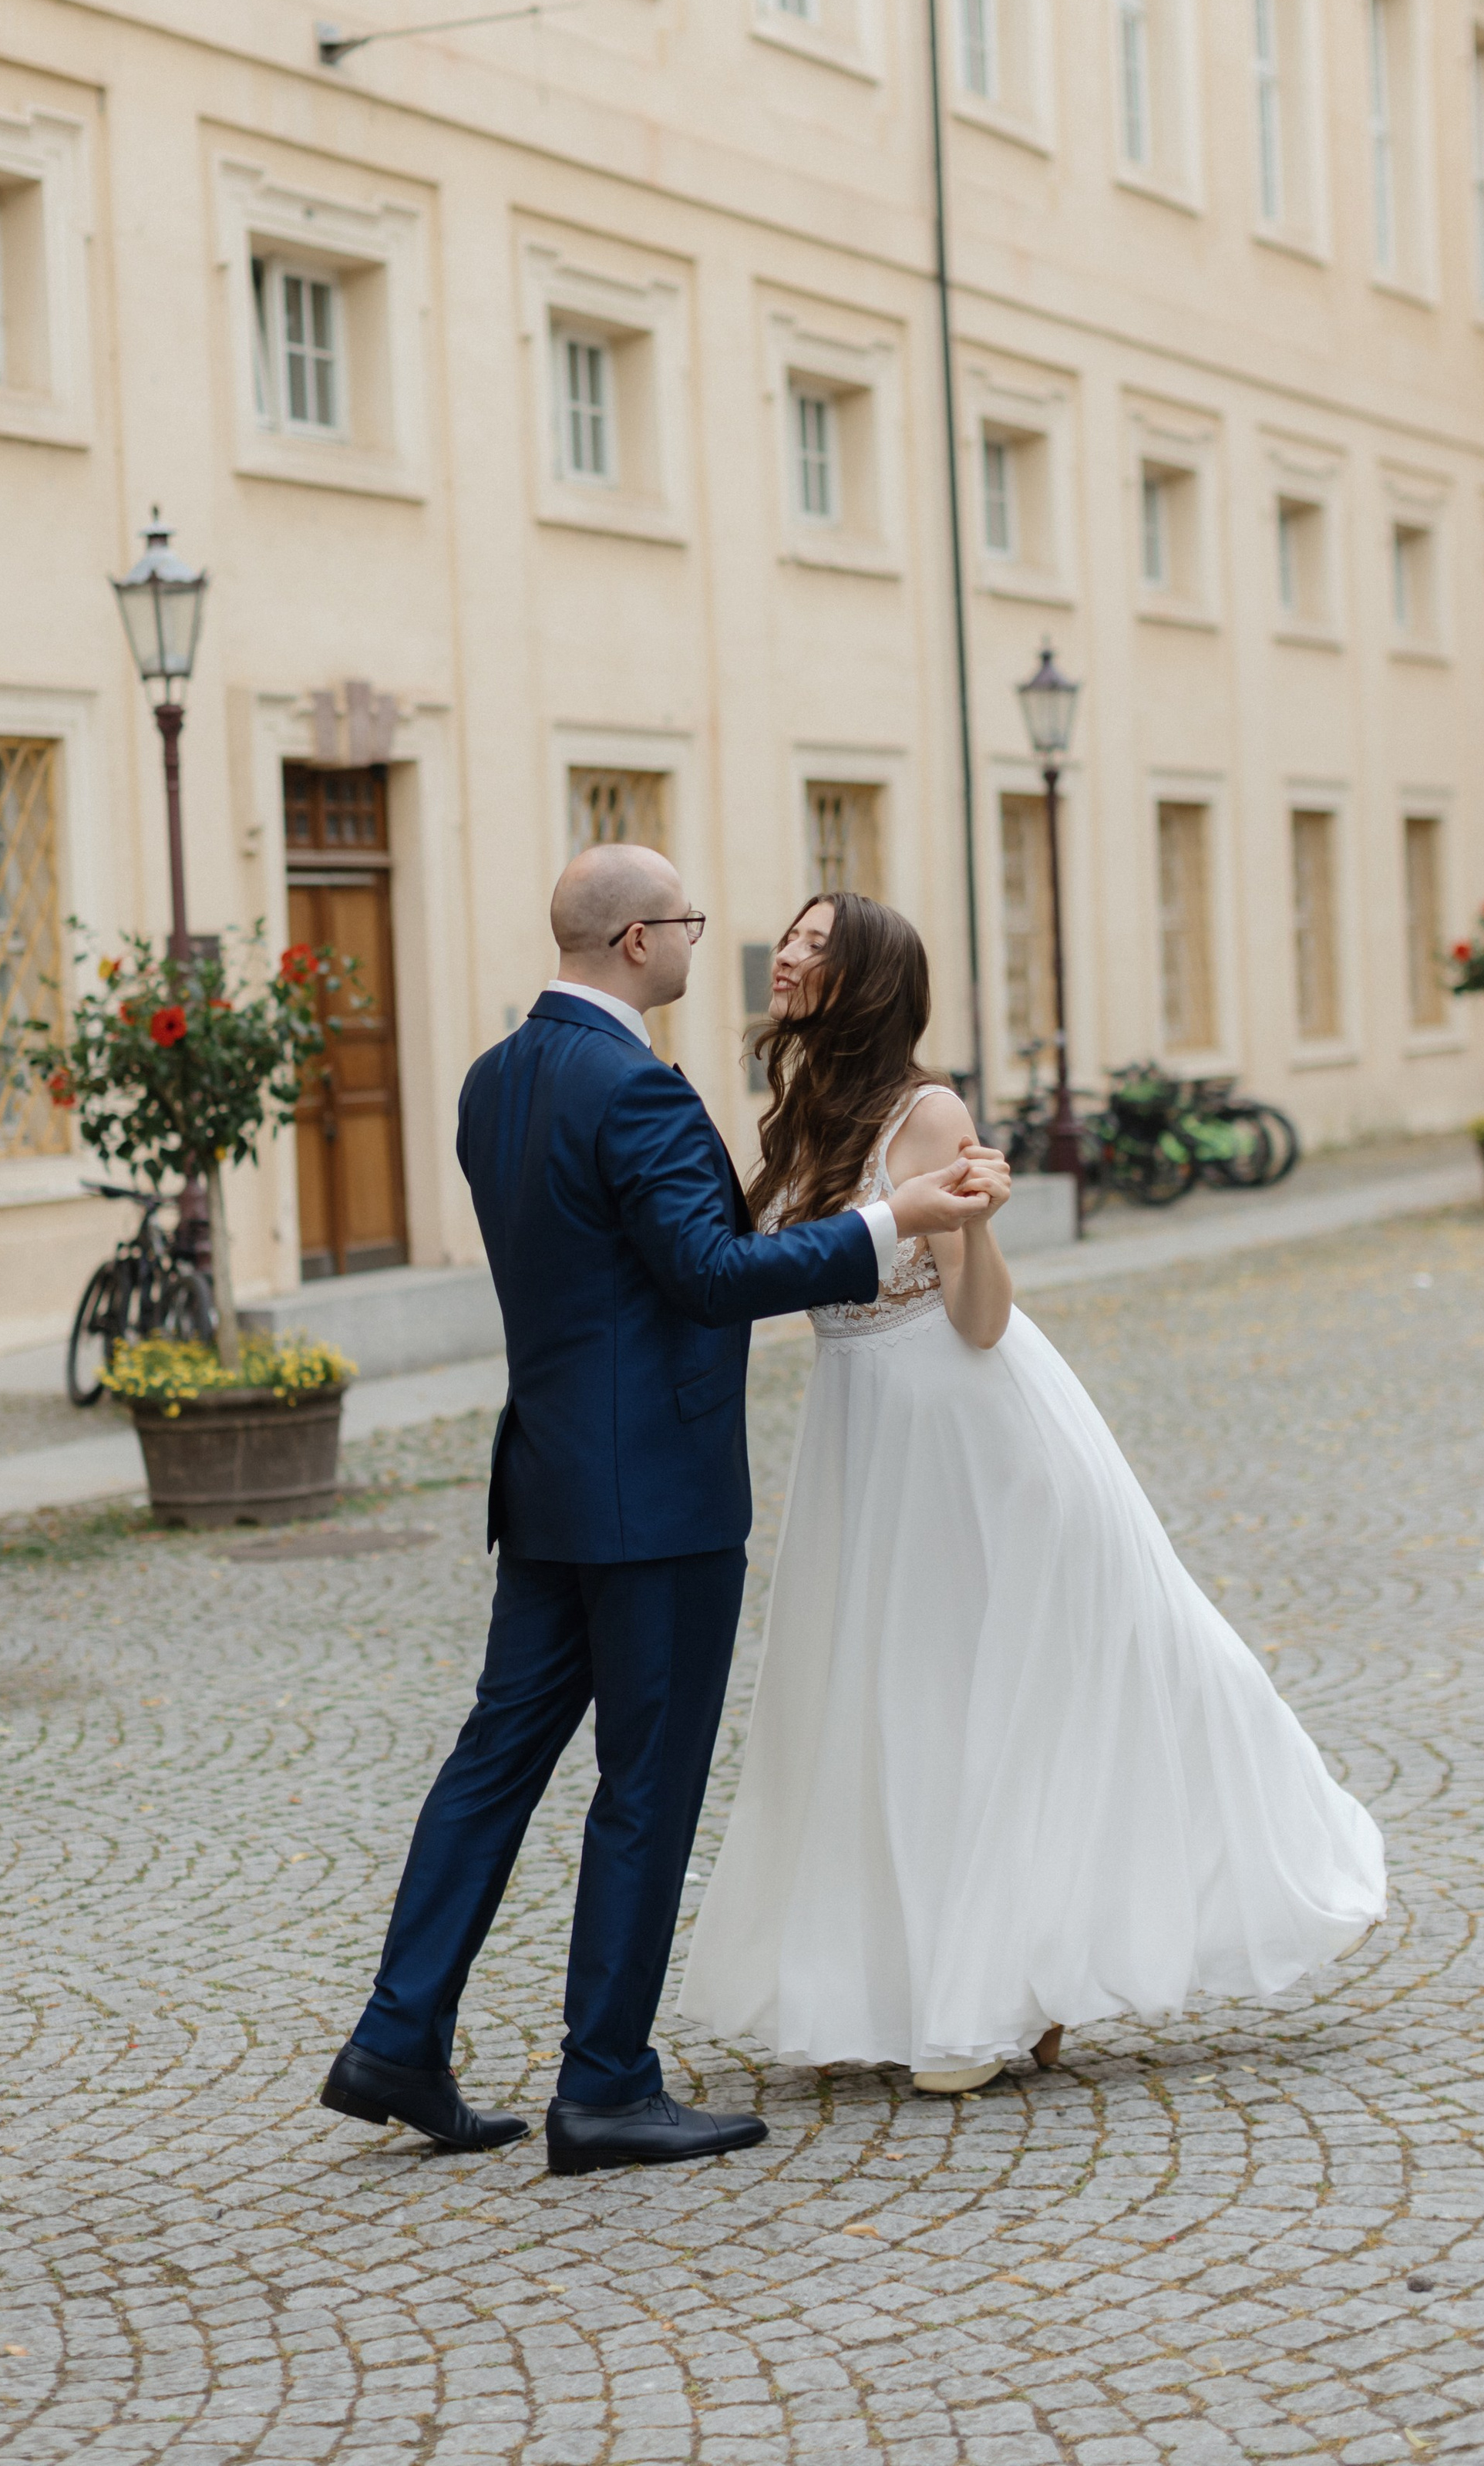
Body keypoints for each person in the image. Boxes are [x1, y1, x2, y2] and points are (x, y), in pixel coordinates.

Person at [321, 845, 998, 2174]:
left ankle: (398, 2034)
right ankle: (608, 2083)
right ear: (638, 941)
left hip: (551, 1478)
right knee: (645, 1782)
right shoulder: (634, 1085)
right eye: (689, 919)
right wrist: (886, 1221)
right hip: (660, 1499)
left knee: (493, 1762)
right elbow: (700, 1275)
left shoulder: (494, 1079)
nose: (708, 940)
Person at [679, 891, 1386, 2093]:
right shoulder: (794, 1112)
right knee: (886, 1698)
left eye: (812, 943)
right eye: (789, 938)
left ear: (865, 978)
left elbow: (980, 1314)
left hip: (970, 1425)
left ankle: (1004, 1988)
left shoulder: (928, 1108)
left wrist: (983, 1223)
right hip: (862, 1430)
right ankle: (899, 1982)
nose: (787, 953)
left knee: (1000, 1689)